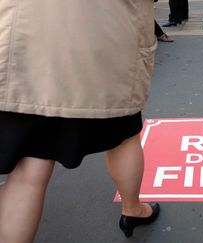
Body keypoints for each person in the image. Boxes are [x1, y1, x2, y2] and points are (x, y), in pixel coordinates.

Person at [0, 1, 160, 242]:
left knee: (30, 164)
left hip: (27, 40)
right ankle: (132, 209)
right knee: (123, 137)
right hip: (107, 38)